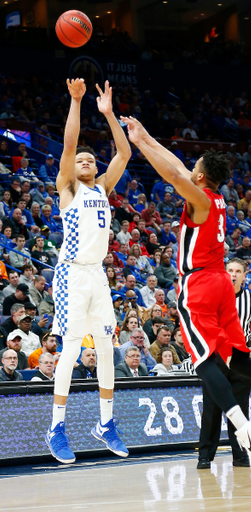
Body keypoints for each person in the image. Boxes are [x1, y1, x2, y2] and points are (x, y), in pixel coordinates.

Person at [122, 116, 251, 474]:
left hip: (198, 284)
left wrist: (144, 145)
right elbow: (179, 166)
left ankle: (244, 429)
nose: (188, 169)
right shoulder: (215, 199)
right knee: (235, 359)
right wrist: (144, 137)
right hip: (221, 286)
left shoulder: (197, 197)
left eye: (193, 169)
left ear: (199, 177)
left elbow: (173, 174)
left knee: (203, 362)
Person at [46, 79, 132, 465]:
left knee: (107, 349)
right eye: (81, 161)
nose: (86, 162)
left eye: (90, 160)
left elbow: (125, 152)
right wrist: (76, 101)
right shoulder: (68, 188)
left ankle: (105, 423)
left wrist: (109, 113)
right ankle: (57, 428)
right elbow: (68, 144)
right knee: (70, 349)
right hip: (71, 275)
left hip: (98, 275)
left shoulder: (101, 188)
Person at [198, 258, 251, 469]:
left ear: (244, 275)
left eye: (238, 271)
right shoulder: (211, 296)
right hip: (215, 355)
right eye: (230, 270)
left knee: (240, 407)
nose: (234, 274)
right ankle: (204, 455)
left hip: (240, 356)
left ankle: (240, 454)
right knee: (211, 407)